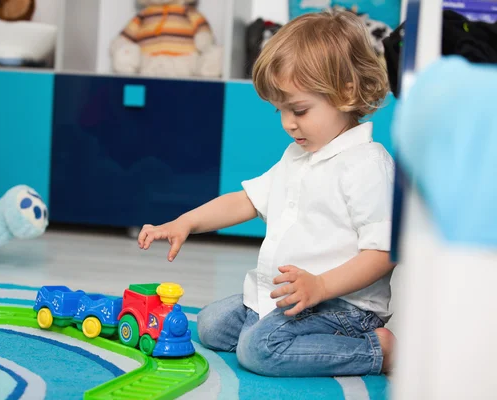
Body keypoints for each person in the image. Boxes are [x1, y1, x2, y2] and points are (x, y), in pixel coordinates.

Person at [137, 9, 396, 377]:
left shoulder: (367, 164)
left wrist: (321, 285)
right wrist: (186, 222)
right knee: (210, 325)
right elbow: (247, 201)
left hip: (344, 305)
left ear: (347, 92)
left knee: (257, 352)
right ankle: (278, 333)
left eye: (299, 109)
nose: (288, 123)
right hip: (289, 298)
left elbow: (384, 253)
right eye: (280, 110)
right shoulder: (298, 155)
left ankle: (377, 350)